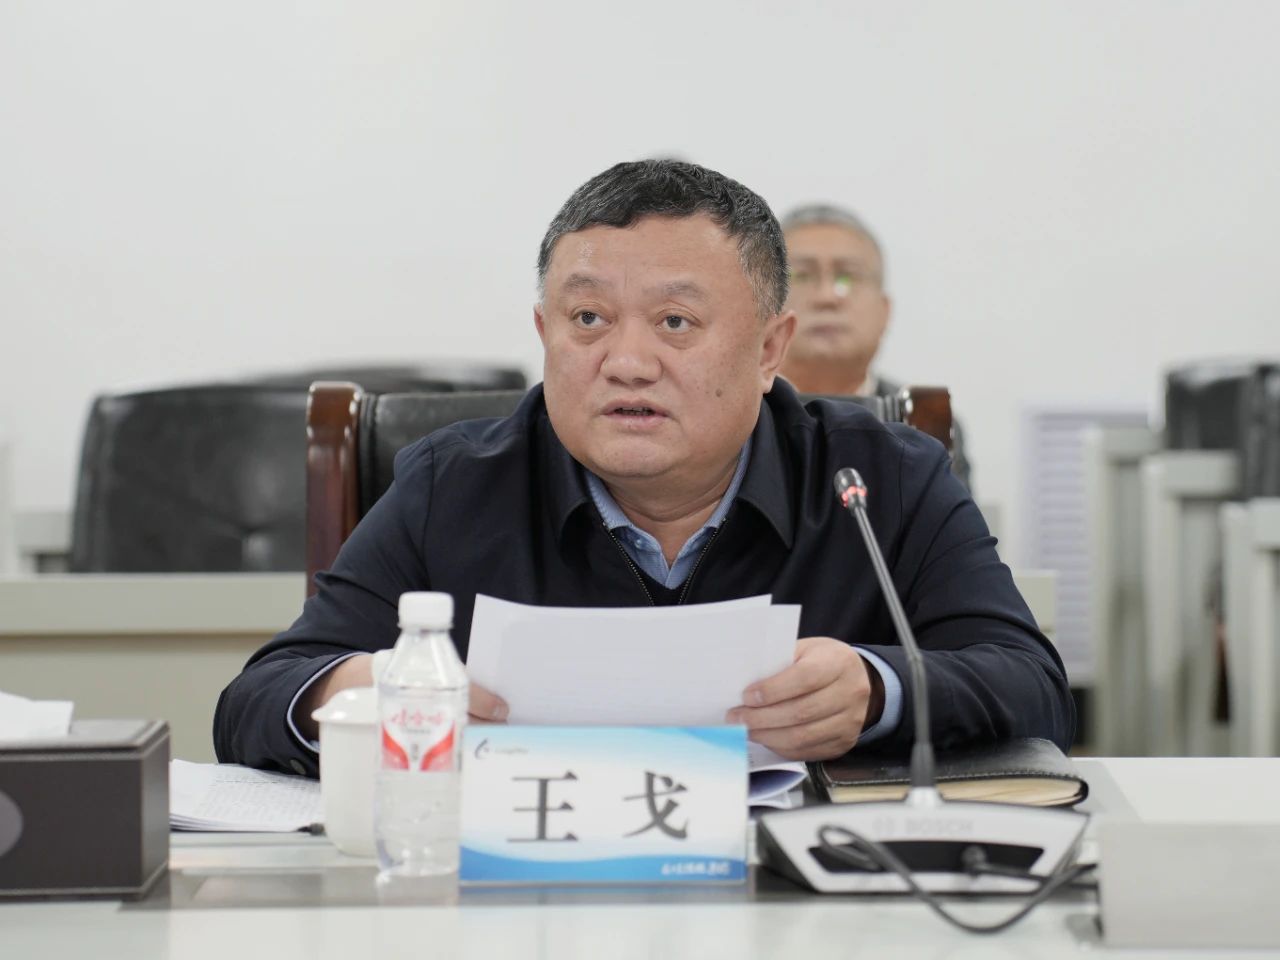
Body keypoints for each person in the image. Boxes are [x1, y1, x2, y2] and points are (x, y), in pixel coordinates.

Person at [213, 160, 1071, 777]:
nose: (625, 363)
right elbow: (254, 703)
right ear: (545, 333)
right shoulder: (454, 483)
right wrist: (360, 689)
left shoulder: (881, 477)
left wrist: (877, 691)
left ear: (770, 349)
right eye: (588, 319)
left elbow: (1034, 686)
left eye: (674, 323)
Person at [779, 204, 972, 489]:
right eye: (802, 276)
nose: (826, 297)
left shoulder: (925, 421)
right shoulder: (731, 415)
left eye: (846, 277)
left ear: (884, 312)